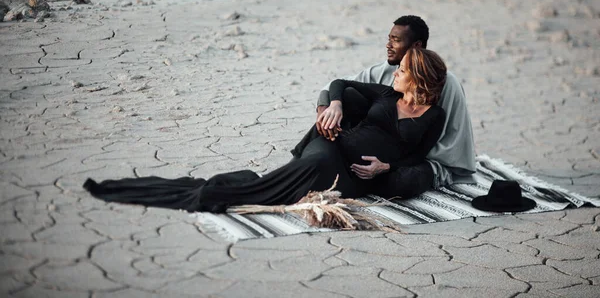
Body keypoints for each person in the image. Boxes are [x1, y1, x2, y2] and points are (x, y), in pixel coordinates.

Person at [83, 48, 447, 213]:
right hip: (331, 148)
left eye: (401, 70)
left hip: (358, 177)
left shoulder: (434, 116)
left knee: (291, 191)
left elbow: (417, 156)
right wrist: (335, 105)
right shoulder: (385, 93)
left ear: (419, 77)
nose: (394, 73)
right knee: (305, 173)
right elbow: (338, 82)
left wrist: (386, 170)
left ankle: (230, 187)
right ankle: (216, 192)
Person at [311, 15, 476, 196]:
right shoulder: (385, 70)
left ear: (416, 46)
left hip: (422, 158)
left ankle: (363, 178)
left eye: (396, 41)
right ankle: (336, 163)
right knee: (348, 96)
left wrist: (390, 163)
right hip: (378, 150)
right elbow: (334, 87)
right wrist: (328, 109)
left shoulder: (445, 81)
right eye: (389, 39)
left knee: (406, 181)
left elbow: (451, 139)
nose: (388, 46)